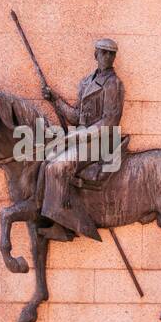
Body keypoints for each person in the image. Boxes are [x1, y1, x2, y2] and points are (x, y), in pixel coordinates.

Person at [38, 38, 125, 240]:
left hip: (102, 142)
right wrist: (55, 100)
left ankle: (65, 226)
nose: (108, 57)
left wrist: (79, 135)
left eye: (111, 54)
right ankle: (52, 212)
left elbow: (110, 121)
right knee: (46, 160)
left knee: (57, 167)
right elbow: (77, 117)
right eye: (104, 52)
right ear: (96, 55)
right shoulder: (86, 82)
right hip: (85, 140)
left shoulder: (114, 84)